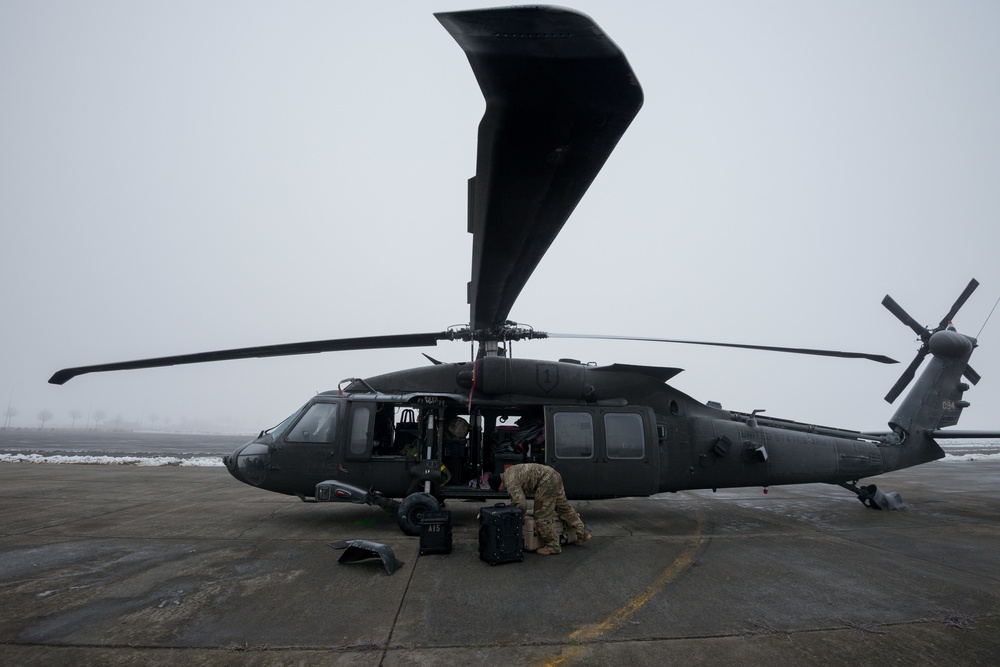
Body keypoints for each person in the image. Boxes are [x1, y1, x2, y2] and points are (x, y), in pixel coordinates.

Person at [488, 463, 592, 555]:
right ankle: (583, 533)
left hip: (546, 481)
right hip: (554, 475)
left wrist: (519, 519)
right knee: (563, 508)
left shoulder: (509, 481)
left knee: (541, 515)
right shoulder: (510, 472)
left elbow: (521, 504)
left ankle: (552, 546)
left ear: (499, 484)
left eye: (499, 490)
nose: (501, 491)